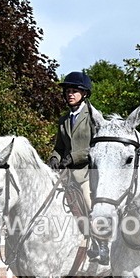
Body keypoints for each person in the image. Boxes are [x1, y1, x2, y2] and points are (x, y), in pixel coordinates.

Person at [49, 71, 109, 264]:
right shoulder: (64, 120)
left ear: (84, 94)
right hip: (66, 175)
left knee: (89, 203)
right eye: (68, 91)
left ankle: (102, 245)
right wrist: (54, 158)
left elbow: (97, 146)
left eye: (75, 91)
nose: (70, 94)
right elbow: (59, 147)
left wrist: (73, 157)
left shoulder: (93, 117)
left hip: (86, 174)